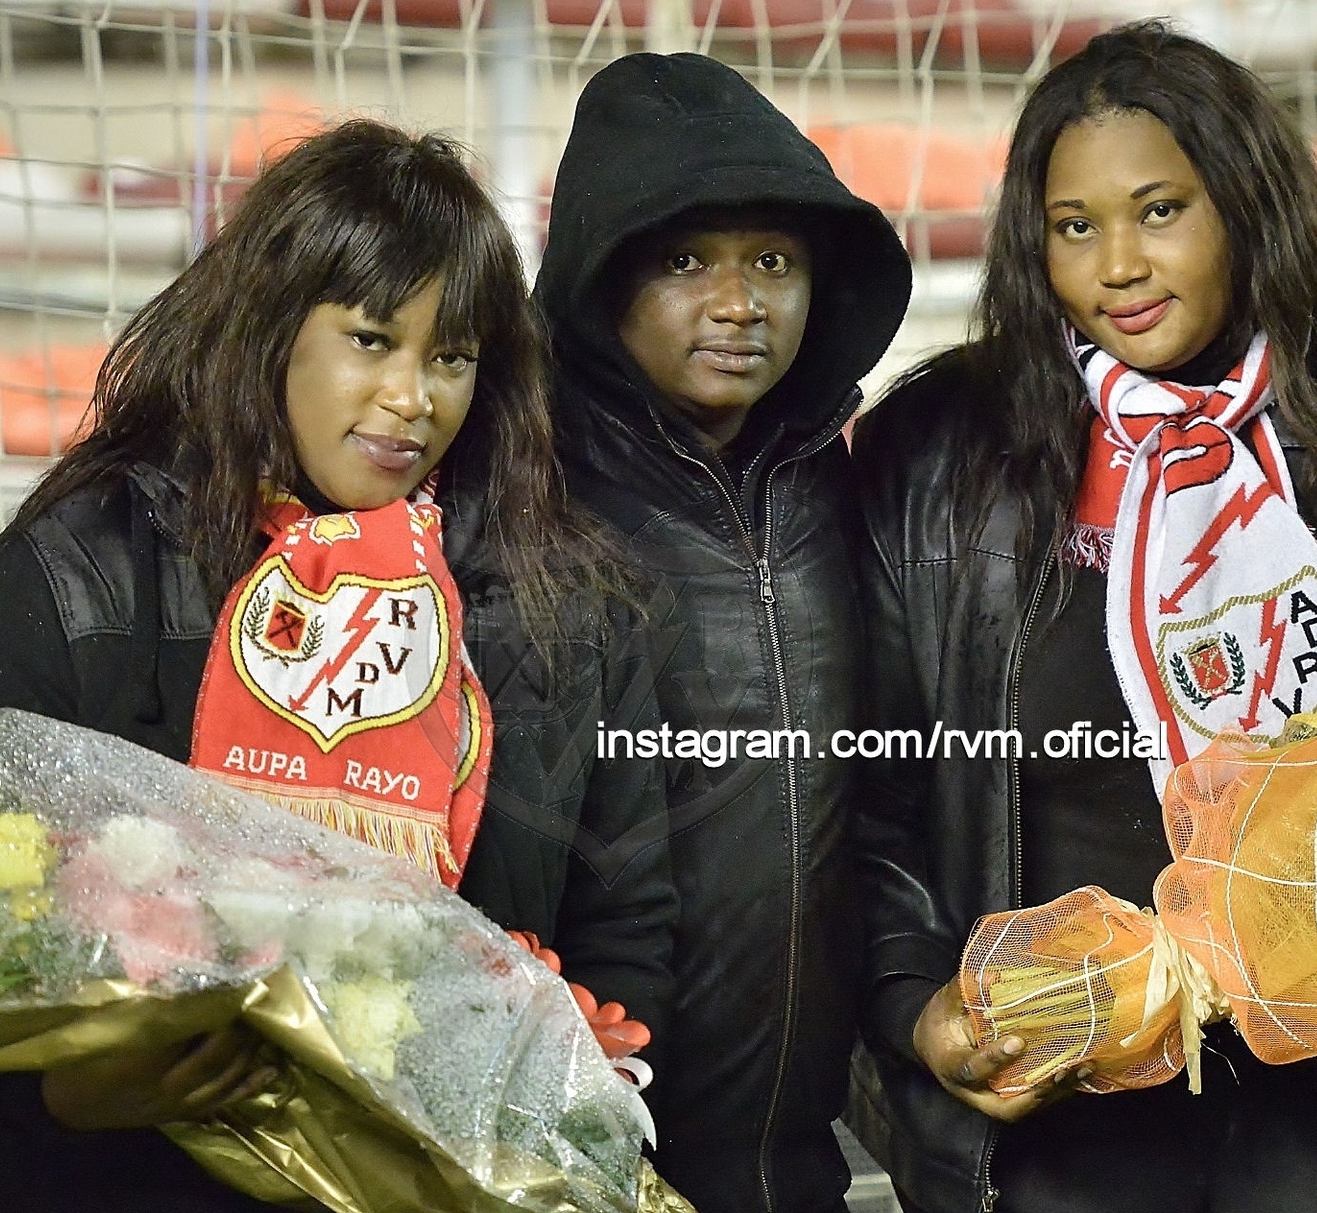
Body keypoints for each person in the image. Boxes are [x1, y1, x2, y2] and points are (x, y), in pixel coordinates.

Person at [846, 20, 1317, 1213]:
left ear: (1248, 206)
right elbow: (874, 794)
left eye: (1161, 210)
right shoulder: (938, 450)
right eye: (1074, 226)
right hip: (1058, 1139)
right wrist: (918, 1014)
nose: (1118, 266)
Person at [0, 120, 675, 1213]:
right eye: (372, 339)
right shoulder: (77, 572)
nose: (413, 398)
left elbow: (625, 925)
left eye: (453, 356)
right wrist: (70, 1088)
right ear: (274, 328)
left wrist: (546, 1093)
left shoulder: (555, 603)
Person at [533, 52, 913, 1213]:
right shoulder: (519, 495)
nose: (739, 302)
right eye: (686, 260)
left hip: (799, 1157)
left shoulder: (846, 488)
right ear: (601, 279)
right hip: (579, 1152)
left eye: (773, 261)